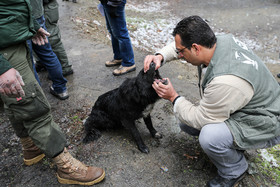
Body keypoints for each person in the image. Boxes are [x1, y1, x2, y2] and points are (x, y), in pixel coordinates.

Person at [143, 15, 280, 187]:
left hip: (267, 121)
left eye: (180, 52)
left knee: (209, 136)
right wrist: (160, 56)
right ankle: (230, 145)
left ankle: (234, 169)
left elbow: (201, 118)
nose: (179, 55)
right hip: (252, 104)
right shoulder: (219, 42)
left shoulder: (226, 80)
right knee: (187, 121)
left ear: (195, 48)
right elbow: (181, 46)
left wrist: (173, 97)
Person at [0, 0, 105, 185]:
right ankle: (66, 167)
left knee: (14, 100)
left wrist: (30, 28)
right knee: (32, 105)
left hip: (14, 40)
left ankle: (31, 147)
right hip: (5, 52)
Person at [29, 0, 69, 100]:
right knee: (47, 53)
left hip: (23, 18)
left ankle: (38, 96)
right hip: (37, 14)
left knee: (28, 59)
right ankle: (61, 88)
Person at [35, 0, 74, 77]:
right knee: (36, 38)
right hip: (35, 8)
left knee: (52, 38)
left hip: (46, 6)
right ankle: (42, 61)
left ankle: (64, 67)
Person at [100, 0, 136, 76]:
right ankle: (119, 57)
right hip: (107, 2)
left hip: (114, 3)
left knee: (121, 33)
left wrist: (114, 3)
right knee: (113, 31)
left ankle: (128, 63)